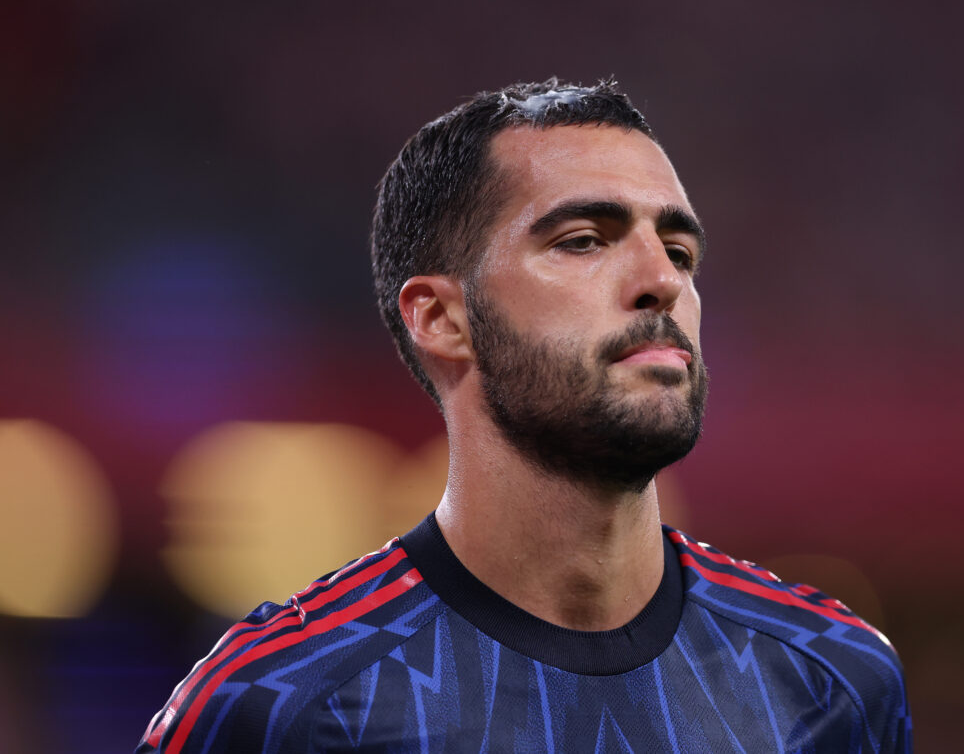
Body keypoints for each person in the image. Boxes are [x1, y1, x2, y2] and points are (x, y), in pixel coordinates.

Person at [137, 78, 911, 753]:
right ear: (442, 318)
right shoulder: (277, 708)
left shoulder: (834, 683)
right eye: (584, 240)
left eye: (679, 251)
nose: (662, 280)